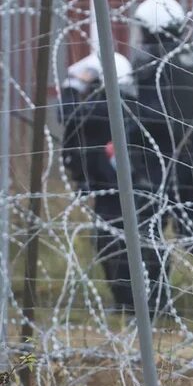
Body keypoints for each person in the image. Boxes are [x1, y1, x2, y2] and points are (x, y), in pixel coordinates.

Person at [127, 0, 193, 312]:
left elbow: (146, 113)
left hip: (161, 157)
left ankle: (155, 302)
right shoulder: (191, 55)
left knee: (150, 229)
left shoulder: (151, 57)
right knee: (191, 229)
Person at [59, 53, 138, 313]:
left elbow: (67, 115)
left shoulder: (109, 106)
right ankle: (129, 301)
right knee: (112, 241)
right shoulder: (119, 103)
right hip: (111, 185)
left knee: (112, 241)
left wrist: (73, 86)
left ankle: (129, 302)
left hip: (114, 188)